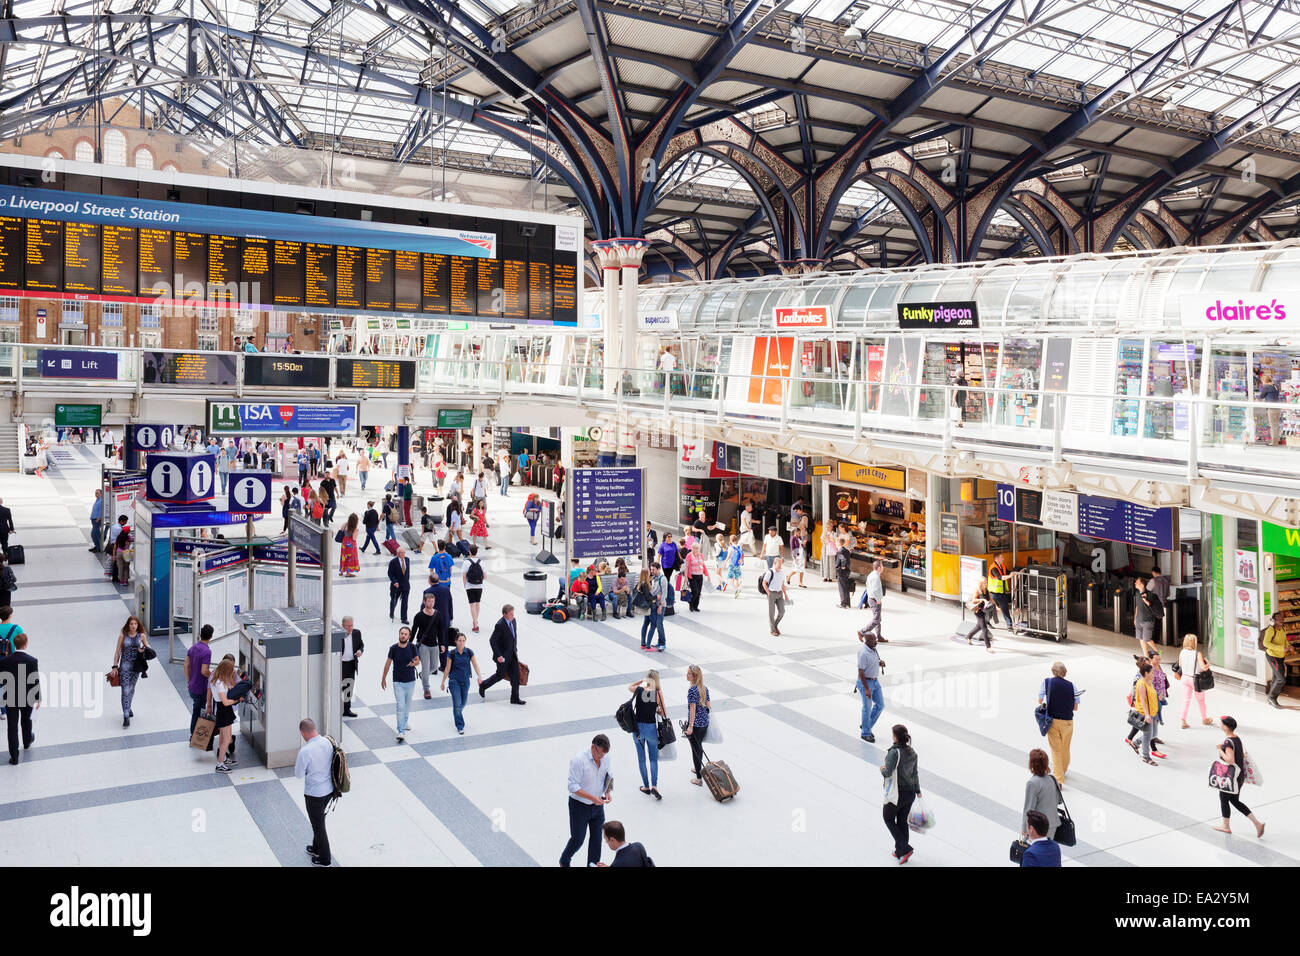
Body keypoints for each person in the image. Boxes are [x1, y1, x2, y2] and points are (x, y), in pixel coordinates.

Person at [561, 734, 613, 867]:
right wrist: (592, 798)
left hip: (598, 806)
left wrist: (607, 791)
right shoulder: (579, 760)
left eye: (604, 754)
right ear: (593, 747)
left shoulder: (605, 757)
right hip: (579, 806)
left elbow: (609, 776)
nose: (602, 757)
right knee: (578, 839)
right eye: (600, 754)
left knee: (596, 841)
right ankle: (565, 860)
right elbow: (572, 786)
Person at [1213, 715, 1265, 837]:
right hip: (1239, 775)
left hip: (1232, 777)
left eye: (1221, 724)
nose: (1220, 725)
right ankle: (1257, 824)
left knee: (1224, 798)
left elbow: (1230, 760)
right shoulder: (1236, 738)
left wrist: (1220, 749)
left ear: (1225, 727)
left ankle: (1226, 826)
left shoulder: (1228, 742)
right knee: (1234, 800)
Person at [295, 717, 335, 866]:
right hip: (330, 790)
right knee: (318, 820)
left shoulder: (305, 751)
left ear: (303, 733)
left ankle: (325, 858)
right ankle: (315, 847)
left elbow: (299, 774)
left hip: (314, 793)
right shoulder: (328, 742)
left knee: (318, 825)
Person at [880, 724, 921, 864]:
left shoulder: (894, 752)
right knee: (902, 820)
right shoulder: (913, 753)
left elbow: (888, 772)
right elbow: (915, 773)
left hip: (897, 793)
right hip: (910, 794)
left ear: (896, 736)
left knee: (888, 818)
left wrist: (882, 769)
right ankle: (900, 852)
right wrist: (918, 790)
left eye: (893, 734)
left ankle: (905, 848)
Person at [0, 632, 39, 765]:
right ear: (26, 644)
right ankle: (27, 741)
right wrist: (38, 698)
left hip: (10, 697)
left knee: (12, 726)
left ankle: (14, 756)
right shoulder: (32, 660)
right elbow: (35, 680)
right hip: (27, 696)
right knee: (26, 720)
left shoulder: (5, 661)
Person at [1038, 662, 1078, 786]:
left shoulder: (1047, 682)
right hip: (1068, 722)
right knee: (1065, 748)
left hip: (1053, 721)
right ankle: (1063, 770)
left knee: (1056, 750)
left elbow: (1040, 700)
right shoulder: (1072, 686)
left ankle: (1059, 780)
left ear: (1052, 671)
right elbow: (1075, 707)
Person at [628, 671, 666, 799]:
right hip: (651, 729)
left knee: (641, 759)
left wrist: (640, 681)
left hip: (638, 729)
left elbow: (629, 687)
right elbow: (663, 713)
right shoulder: (657, 694)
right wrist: (657, 709)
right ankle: (655, 786)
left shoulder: (639, 690)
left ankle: (646, 786)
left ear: (647, 679)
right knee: (653, 759)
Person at [440, 629, 483, 735]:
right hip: (454, 682)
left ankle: (457, 712)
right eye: (460, 640)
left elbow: (475, 665)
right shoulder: (452, 653)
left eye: (463, 640)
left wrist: (479, 676)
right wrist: (443, 682)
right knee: (458, 704)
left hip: (465, 681)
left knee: (463, 703)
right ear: (456, 641)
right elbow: (447, 668)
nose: (462, 642)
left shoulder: (469, 652)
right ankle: (460, 726)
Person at [1127, 650, 1169, 757]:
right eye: (1156, 659)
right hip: (1147, 709)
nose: (1159, 661)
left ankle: (1133, 741)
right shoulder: (1142, 680)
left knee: (1150, 731)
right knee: (1146, 730)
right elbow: (1141, 697)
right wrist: (1146, 713)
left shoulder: (1151, 674)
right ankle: (1147, 753)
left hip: (1154, 706)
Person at [381, 626, 419, 744]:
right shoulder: (393, 648)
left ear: (409, 636)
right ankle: (400, 731)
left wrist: (413, 663)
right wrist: (383, 678)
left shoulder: (412, 647)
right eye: (401, 633)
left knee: (407, 705)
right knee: (400, 705)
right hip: (398, 681)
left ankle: (404, 721)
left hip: (410, 681)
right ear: (399, 634)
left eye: (405, 634)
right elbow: (387, 664)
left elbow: (417, 660)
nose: (403, 635)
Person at [480, 604, 524, 704]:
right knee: (500, 675)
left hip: (512, 654)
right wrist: (499, 655)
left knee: (515, 676)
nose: (513, 616)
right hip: (503, 657)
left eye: (513, 613)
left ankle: (514, 698)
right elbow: (492, 641)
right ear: (505, 614)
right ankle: (483, 685)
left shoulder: (513, 621)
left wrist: (515, 649)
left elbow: (514, 637)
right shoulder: (500, 625)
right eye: (511, 614)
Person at [111, 615, 149, 728]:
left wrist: (142, 650)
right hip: (125, 667)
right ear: (128, 625)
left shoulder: (141, 636)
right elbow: (117, 652)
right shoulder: (122, 636)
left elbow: (149, 650)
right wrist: (114, 666)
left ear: (138, 625)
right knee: (125, 690)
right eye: (131, 624)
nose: (133, 626)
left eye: (135, 624)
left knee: (131, 689)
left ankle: (128, 706)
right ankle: (126, 715)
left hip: (136, 667)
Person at [411, 593, 446, 701]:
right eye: (429, 601)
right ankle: (426, 689)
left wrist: (442, 644)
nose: (431, 603)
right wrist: (409, 644)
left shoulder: (438, 614)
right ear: (424, 602)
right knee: (426, 668)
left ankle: (423, 675)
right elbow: (414, 630)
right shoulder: (419, 616)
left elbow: (441, 631)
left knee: (434, 667)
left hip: (434, 645)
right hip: (423, 645)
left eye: (433, 601)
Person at [207, 657, 239, 772]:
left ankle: (223, 758)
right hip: (223, 711)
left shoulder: (218, 679)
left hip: (224, 711)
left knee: (224, 736)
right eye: (231, 669)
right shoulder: (219, 683)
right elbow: (225, 702)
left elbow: (226, 688)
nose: (232, 672)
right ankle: (220, 764)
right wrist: (237, 699)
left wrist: (233, 687)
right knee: (227, 739)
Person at [1022, 748, 1059, 840]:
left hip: (1038, 827)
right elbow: (1058, 800)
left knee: (1036, 852)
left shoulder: (1032, 783)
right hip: (1052, 824)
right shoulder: (1052, 779)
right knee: (1047, 851)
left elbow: (1029, 808)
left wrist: (1025, 830)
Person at [184, 624, 214, 737]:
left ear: (200, 635)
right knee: (197, 712)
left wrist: (189, 680)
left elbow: (186, 665)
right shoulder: (207, 651)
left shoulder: (192, 648)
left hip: (192, 686)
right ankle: (194, 736)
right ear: (211, 636)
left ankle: (196, 734)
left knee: (197, 709)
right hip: (200, 688)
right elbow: (204, 671)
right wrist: (213, 677)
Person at [1177, 634, 1212, 728]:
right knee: (1201, 700)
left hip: (1184, 678)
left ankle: (1183, 721)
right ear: (1194, 642)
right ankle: (1205, 719)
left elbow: (1180, 664)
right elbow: (1204, 668)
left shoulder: (1182, 652)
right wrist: (1208, 663)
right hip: (1195, 679)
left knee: (1186, 700)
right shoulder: (1197, 654)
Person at [856, 628, 885, 742]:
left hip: (875, 681)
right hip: (866, 683)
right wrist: (867, 689)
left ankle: (866, 725)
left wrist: (880, 663)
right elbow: (861, 672)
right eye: (873, 640)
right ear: (866, 641)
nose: (876, 641)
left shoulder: (873, 649)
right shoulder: (863, 653)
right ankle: (865, 733)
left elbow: (873, 661)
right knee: (867, 708)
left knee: (880, 705)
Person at [684, 664, 710, 786]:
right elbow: (708, 706)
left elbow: (692, 709)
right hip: (704, 723)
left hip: (696, 725)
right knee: (699, 747)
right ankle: (698, 767)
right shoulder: (704, 688)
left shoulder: (692, 690)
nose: (687, 675)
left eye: (689, 673)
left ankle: (699, 779)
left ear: (694, 677)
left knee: (695, 750)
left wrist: (690, 726)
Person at [1131, 658, 1159, 766]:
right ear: (1146, 673)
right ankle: (1146, 757)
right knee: (1148, 737)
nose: (1154, 674)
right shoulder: (1141, 684)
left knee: (1154, 734)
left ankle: (1136, 742)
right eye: (1152, 672)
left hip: (1153, 712)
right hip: (1146, 713)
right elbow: (1142, 700)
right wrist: (1147, 714)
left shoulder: (1149, 682)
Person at [1262, 611, 1289, 708]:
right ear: (1274, 620)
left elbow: (1284, 640)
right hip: (1273, 656)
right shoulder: (1270, 630)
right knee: (1281, 679)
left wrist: (1289, 646)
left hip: (1281, 656)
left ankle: (1270, 697)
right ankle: (1272, 697)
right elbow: (1266, 644)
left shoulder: (1282, 629)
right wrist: (1281, 648)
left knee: (1276, 677)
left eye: (1282, 618)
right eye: (1279, 618)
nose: (1281, 620)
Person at [857, 560, 888, 644]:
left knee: (877, 618)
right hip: (874, 600)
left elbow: (867, 585)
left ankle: (879, 636)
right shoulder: (876, 577)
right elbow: (875, 590)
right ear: (879, 568)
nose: (883, 568)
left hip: (871, 598)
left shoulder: (871, 574)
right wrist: (878, 600)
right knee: (876, 620)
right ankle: (862, 632)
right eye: (882, 566)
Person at [341, 616, 363, 718]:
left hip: (350, 664)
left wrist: (360, 651)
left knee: (348, 687)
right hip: (339, 664)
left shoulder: (357, 633)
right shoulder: (338, 635)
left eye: (351, 626)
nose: (350, 628)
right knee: (338, 687)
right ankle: (338, 708)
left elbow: (361, 645)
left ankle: (346, 709)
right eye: (347, 626)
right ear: (342, 626)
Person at [642, 564, 667, 651]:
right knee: (657, 624)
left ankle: (663, 643)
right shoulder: (653, 579)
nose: (652, 571)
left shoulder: (663, 579)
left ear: (658, 569)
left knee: (659, 624)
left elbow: (664, 594)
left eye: (653, 570)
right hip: (653, 605)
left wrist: (660, 605)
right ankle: (660, 642)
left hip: (660, 605)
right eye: (651, 569)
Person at [762, 555, 789, 636]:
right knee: (771, 613)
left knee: (782, 612)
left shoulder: (781, 572)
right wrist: (769, 593)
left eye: (781, 564)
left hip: (780, 594)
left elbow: (782, 584)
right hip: (772, 594)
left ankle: (775, 625)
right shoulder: (770, 572)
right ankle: (772, 630)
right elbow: (764, 583)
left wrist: (786, 595)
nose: (780, 566)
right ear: (774, 564)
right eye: (779, 564)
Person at [462, 544, 485, 632]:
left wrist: (465, 584)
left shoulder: (466, 562)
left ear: (469, 552)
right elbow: (485, 576)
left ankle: (475, 624)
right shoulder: (481, 562)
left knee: (472, 605)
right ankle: (475, 621)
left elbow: (464, 576)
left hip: (470, 586)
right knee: (477, 603)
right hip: (479, 586)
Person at [967, 578, 994, 651]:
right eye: (985, 583)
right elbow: (973, 600)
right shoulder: (978, 591)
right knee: (984, 629)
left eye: (986, 582)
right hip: (978, 612)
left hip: (984, 611)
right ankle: (988, 647)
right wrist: (981, 600)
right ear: (981, 584)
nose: (986, 584)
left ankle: (969, 636)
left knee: (978, 627)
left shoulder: (987, 591)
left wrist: (997, 607)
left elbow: (991, 600)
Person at [1134, 576, 1159, 655]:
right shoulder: (1137, 593)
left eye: (1137, 582)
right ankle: (1146, 656)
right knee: (1141, 638)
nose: (1135, 583)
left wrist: (1145, 600)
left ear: (1142, 584)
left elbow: (1151, 605)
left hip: (1148, 620)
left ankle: (1158, 653)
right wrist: (1135, 618)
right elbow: (1137, 606)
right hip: (1139, 619)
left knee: (1147, 639)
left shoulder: (1150, 595)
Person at [656, 532, 680, 612]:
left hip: (672, 564)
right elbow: (659, 555)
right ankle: (665, 594)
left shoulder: (674, 544)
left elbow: (677, 553)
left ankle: (666, 593)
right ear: (665, 537)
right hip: (665, 564)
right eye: (668, 536)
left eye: (671, 536)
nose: (670, 538)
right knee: (667, 579)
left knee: (668, 579)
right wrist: (657, 564)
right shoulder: (662, 545)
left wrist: (680, 561)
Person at [387, 546, 412, 624]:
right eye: (401, 553)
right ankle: (391, 612)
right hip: (396, 586)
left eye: (404, 552)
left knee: (405, 602)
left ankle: (404, 618)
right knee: (394, 600)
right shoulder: (393, 562)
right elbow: (390, 573)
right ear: (397, 553)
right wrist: (394, 581)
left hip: (406, 585)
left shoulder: (407, 560)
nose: (403, 554)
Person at [988, 553, 1012, 628]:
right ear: (997, 558)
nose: (1003, 559)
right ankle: (985, 621)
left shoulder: (1002, 566)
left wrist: (1016, 573)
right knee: (992, 609)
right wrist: (1010, 576)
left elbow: (1008, 572)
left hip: (1001, 592)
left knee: (1005, 608)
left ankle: (1009, 624)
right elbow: (999, 577)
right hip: (994, 593)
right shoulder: (993, 568)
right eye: (1002, 557)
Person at [684, 539, 708, 613]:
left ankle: (696, 606)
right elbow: (686, 567)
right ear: (692, 548)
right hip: (692, 576)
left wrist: (707, 575)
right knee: (695, 591)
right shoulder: (689, 555)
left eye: (698, 548)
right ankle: (691, 603)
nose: (697, 549)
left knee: (699, 592)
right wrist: (686, 577)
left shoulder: (700, 555)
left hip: (700, 575)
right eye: (695, 548)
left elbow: (703, 565)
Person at [1259, 371, 1283, 444]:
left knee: (1273, 426)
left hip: (1271, 408)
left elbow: (1261, 396)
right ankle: (1276, 440)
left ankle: (1273, 442)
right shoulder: (1275, 386)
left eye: (1262, 381)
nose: (1262, 383)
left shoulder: (1266, 387)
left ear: (1264, 381)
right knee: (1276, 425)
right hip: (1278, 408)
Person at [338, 513, 360, 577]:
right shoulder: (354, 528)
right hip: (351, 544)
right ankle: (348, 572)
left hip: (344, 543)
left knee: (343, 557)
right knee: (350, 558)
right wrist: (357, 531)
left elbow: (340, 531)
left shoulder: (345, 524)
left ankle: (342, 571)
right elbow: (354, 538)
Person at [89, 489, 105, 554]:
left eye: (97, 493)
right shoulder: (98, 500)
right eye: (95, 493)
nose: (96, 494)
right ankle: (97, 546)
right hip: (94, 519)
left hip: (97, 520)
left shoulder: (101, 501)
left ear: (101, 494)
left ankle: (99, 547)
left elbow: (102, 510)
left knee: (94, 534)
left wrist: (99, 518)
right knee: (95, 534)